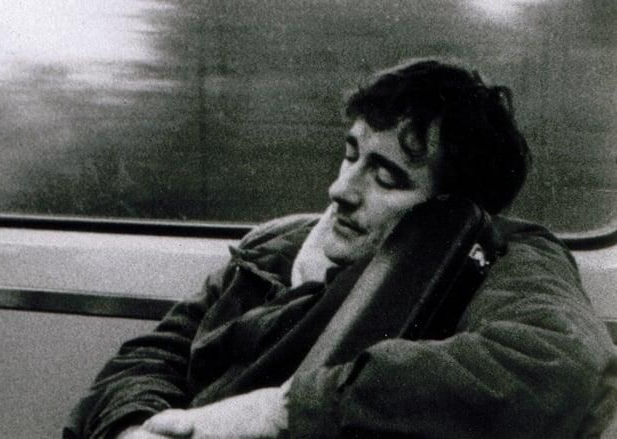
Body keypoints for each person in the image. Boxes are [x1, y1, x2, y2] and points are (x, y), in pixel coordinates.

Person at [64, 58, 617, 438]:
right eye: (351, 154)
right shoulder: (277, 244)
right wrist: (134, 426)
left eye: (386, 177)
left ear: (447, 214)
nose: (340, 190)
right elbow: (154, 354)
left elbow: (563, 367)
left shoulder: (502, 257)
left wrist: (282, 411)